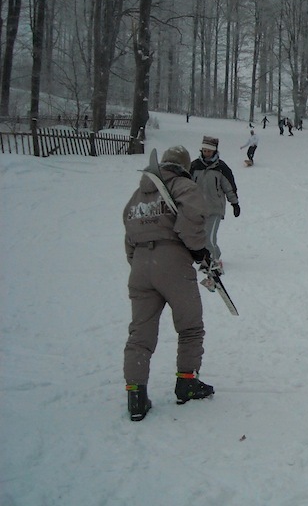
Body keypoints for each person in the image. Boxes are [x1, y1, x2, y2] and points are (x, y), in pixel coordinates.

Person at [123, 146, 215, 421]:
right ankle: (186, 382)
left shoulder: (138, 194)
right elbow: (193, 220)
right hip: (172, 262)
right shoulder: (184, 186)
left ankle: (135, 395)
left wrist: (141, 264)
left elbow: (128, 233)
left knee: (140, 333)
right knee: (190, 326)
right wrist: (200, 251)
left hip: (140, 266)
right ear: (184, 166)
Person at [189, 136, 240, 268]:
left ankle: (212, 261)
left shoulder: (221, 168)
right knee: (200, 237)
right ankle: (214, 253)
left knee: (209, 238)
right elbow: (185, 185)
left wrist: (234, 203)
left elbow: (229, 187)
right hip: (197, 208)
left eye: (209, 151)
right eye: (204, 150)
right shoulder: (194, 166)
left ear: (214, 151)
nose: (206, 153)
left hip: (215, 208)